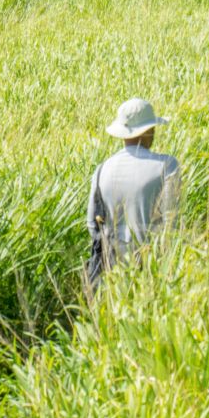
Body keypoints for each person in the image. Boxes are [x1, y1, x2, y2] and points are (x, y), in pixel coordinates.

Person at [86, 98, 182, 292]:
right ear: (148, 130)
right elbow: (172, 221)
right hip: (153, 269)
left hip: (112, 274)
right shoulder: (167, 166)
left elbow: (92, 225)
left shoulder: (102, 169)